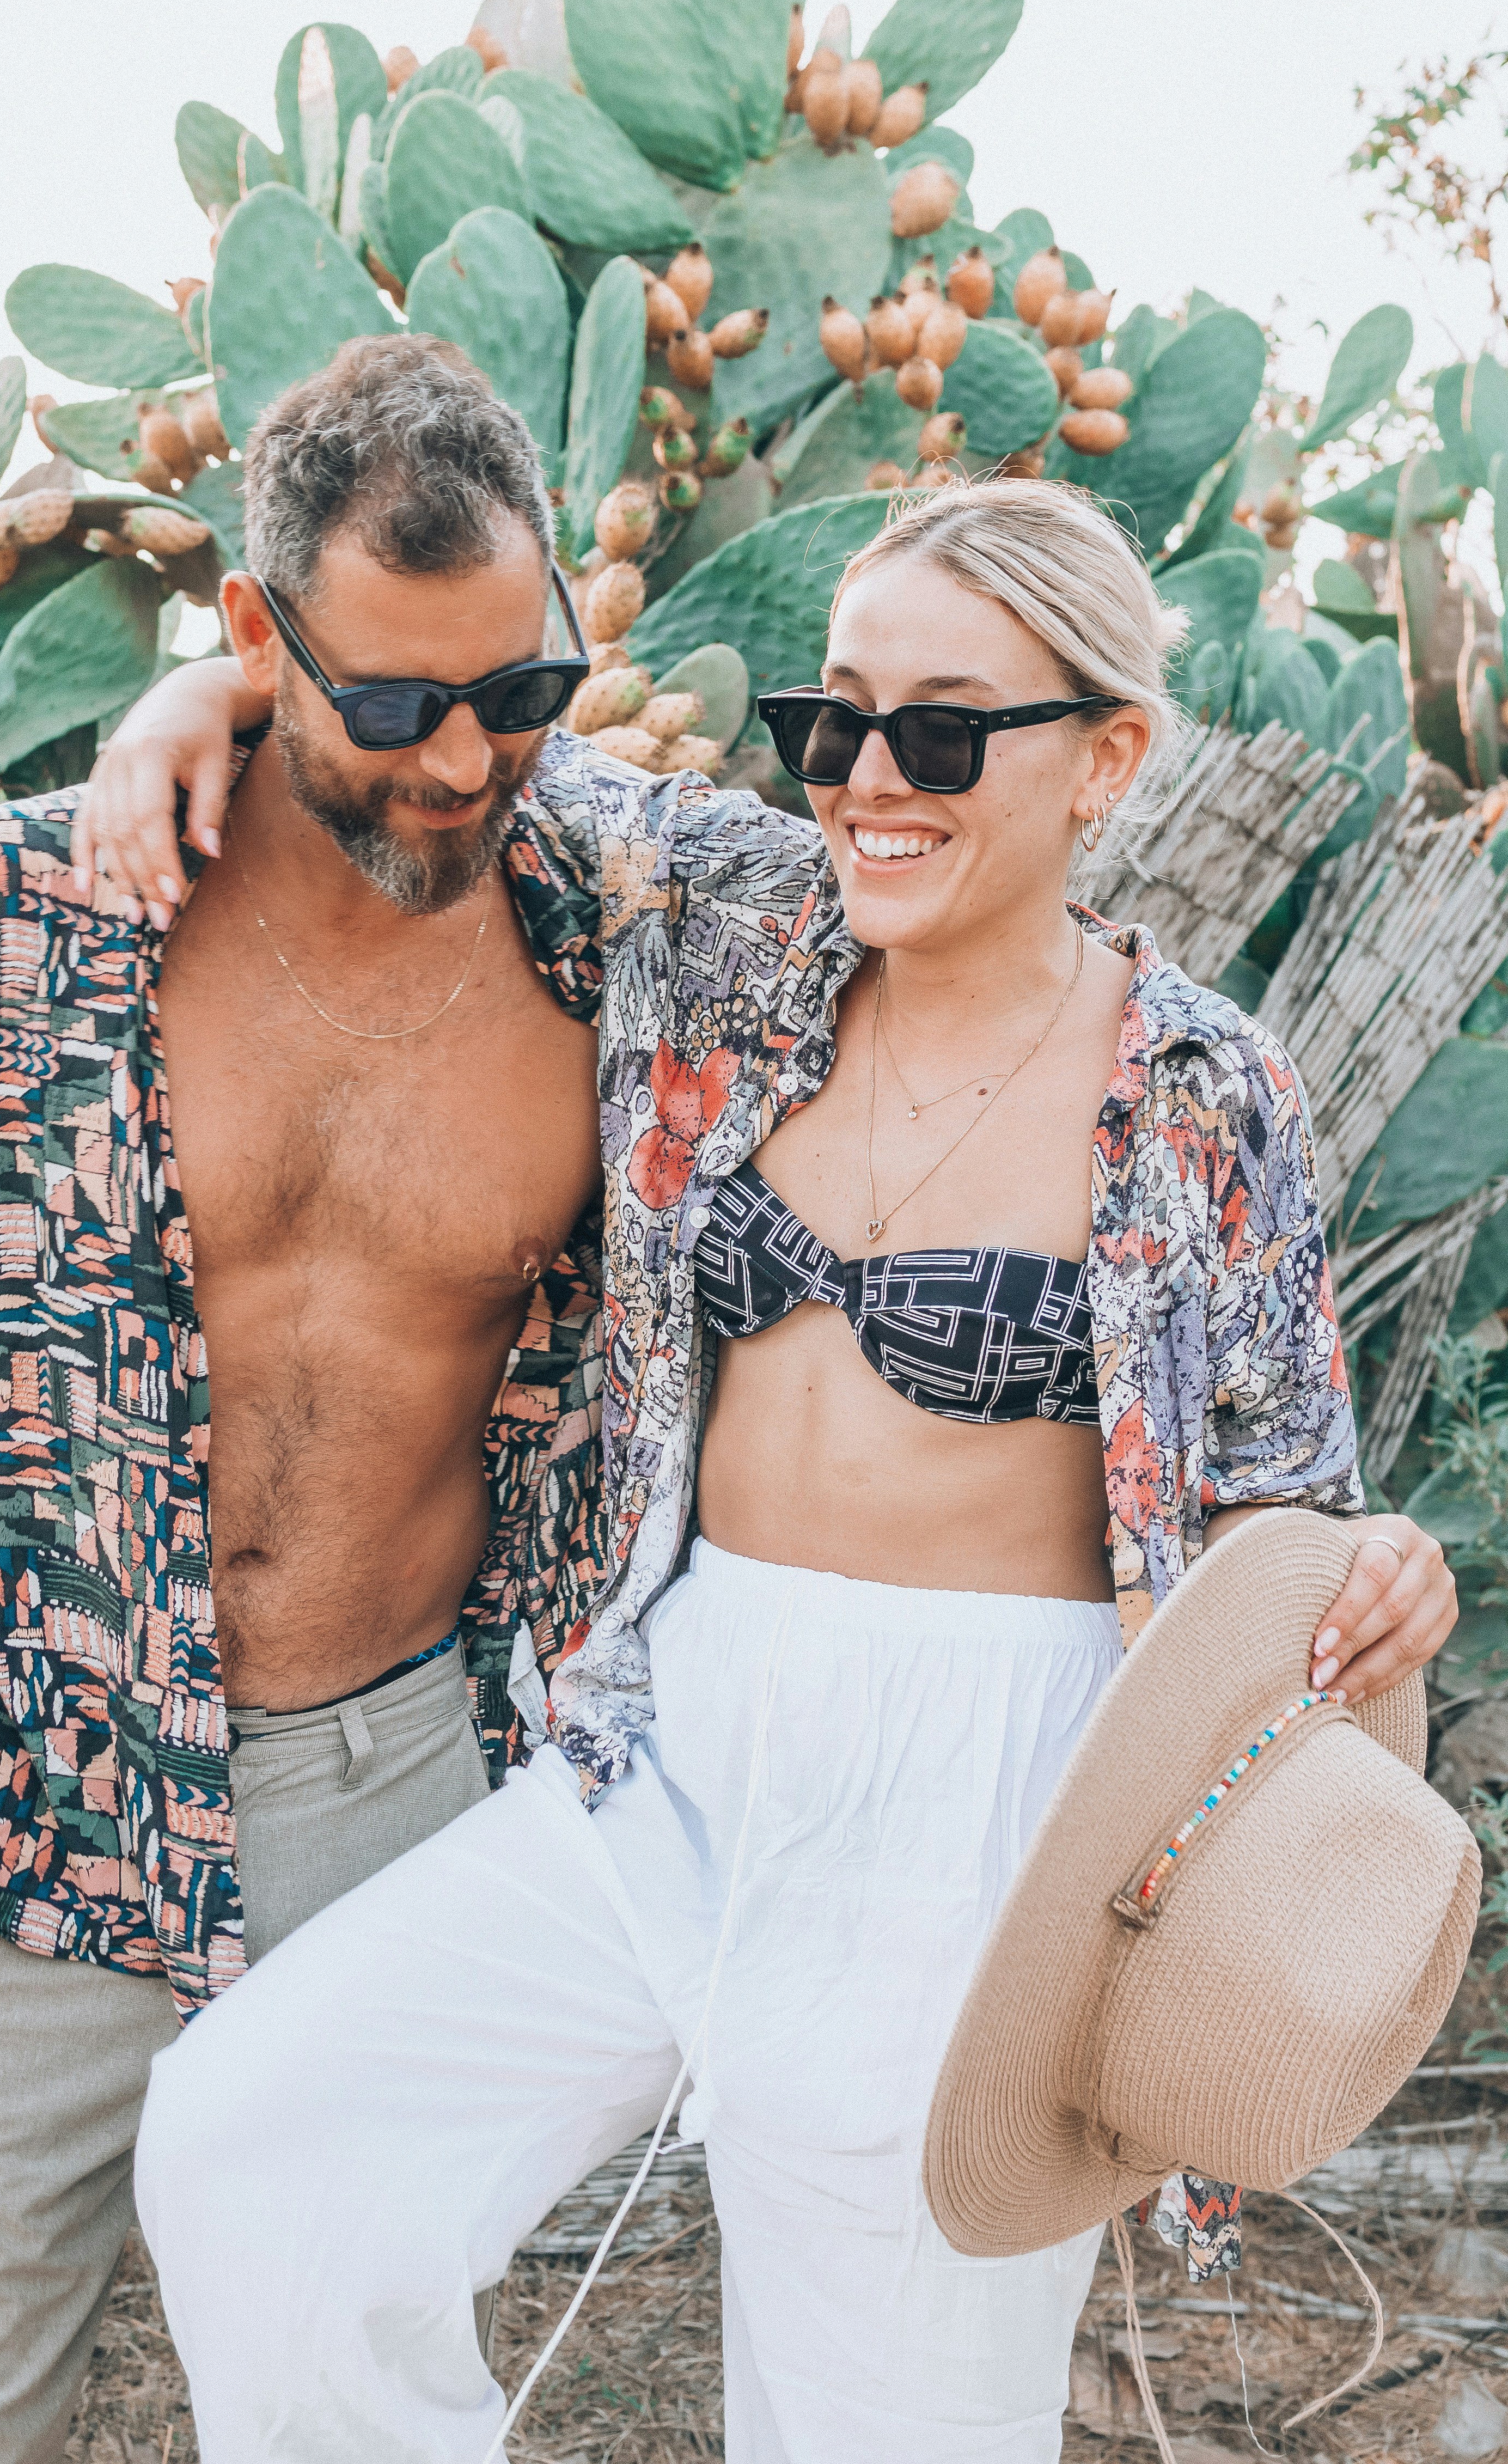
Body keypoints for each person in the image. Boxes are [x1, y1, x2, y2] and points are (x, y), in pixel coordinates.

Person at [93, 476, 1457, 2460]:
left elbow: (1276, 1495)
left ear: (1110, 758)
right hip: (673, 1740)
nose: (869, 780)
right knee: (262, 2145)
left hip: (989, 1808)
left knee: (882, 2420)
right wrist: (177, 712)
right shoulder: (746, 928)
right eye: (838, 720)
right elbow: (467, 747)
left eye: (944, 729)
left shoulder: (1199, 1087)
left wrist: (1373, 1570)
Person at [0, 333, 768, 2464]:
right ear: (256, 637)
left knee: (348, 2418)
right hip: (9, 1787)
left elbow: (916, 861)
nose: (463, 766)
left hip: (396, 1793)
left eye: (521, 695)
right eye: (392, 703)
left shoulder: (621, 928)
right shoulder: (17, 915)